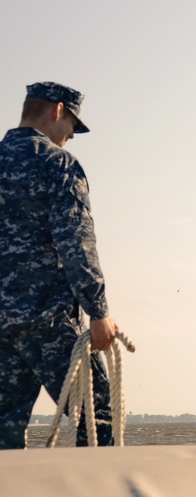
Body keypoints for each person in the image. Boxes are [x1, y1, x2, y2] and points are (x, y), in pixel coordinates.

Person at [0, 82, 120, 448]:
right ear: (57, 110)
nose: (71, 136)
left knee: (3, 434)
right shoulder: (57, 164)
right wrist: (98, 311)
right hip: (48, 321)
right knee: (98, 422)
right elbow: (76, 241)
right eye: (72, 124)